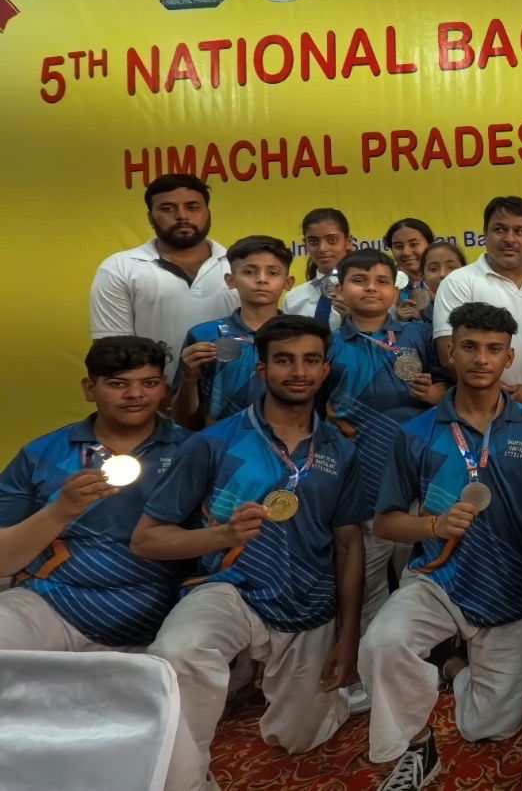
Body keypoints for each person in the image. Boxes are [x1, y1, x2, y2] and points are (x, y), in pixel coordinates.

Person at [132, 315, 365, 791]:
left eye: (310, 361)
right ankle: (186, 780)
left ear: (325, 371)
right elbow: (147, 539)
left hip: (308, 598)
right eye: (284, 360)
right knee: (177, 652)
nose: (298, 371)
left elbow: (348, 542)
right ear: (262, 369)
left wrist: (348, 637)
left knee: (298, 738)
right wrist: (222, 536)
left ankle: (320, 700)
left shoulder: (340, 450)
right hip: (229, 587)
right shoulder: (214, 442)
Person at [360, 302, 522, 791]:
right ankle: (416, 744)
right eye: (469, 347)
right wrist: (433, 525)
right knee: (382, 642)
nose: (481, 359)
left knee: (491, 727)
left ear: (509, 357)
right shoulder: (416, 433)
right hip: (438, 580)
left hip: (511, 590)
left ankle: (453, 667)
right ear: (450, 352)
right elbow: (386, 523)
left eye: (494, 349)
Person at [0, 337, 189, 652]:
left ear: (164, 389)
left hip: (162, 610)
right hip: (51, 603)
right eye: (118, 384)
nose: (135, 394)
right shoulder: (41, 454)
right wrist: (60, 510)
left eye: (149, 383)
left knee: (188, 652)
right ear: (90, 389)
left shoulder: (196, 452)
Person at [324, 250, 442, 635]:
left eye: (381, 281)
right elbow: (314, 405)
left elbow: (451, 386)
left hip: (417, 476)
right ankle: (361, 657)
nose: (371, 288)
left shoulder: (418, 334)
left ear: (395, 289)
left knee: (420, 576)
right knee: (365, 582)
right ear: (340, 289)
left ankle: (420, 656)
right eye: (359, 281)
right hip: (361, 477)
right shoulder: (328, 344)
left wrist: (436, 393)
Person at [433, 196, 522, 426]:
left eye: (520, 231)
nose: (509, 239)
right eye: (500, 229)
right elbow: (448, 354)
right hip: (482, 420)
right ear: (485, 233)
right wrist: (502, 398)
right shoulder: (458, 282)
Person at [89, 173, 236, 381]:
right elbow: (112, 352)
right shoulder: (120, 267)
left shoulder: (239, 266)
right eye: (167, 208)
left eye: (193, 207)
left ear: (208, 213)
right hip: (153, 395)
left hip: (234, 392)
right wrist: (153, 392)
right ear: (150, 218)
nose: (182, 216)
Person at [173, 235, 294, 429]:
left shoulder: (302, 337)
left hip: (287, 439)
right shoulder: (203, 336)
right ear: (231, 280)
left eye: (273, 273)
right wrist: (189, 378)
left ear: (288, 282)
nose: (262, 280)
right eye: (249, 272)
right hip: (219, 441)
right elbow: (182, 419)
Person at [284, 208, 355, 330]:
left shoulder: (367, 292)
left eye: (332, 240)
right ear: (305, 244)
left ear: (348, 241)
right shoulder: (293, 298)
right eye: (313, 241)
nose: (322, 248)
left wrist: (359, 318)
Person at [384, 218, 435, 323]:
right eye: (398, 246)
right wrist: (396, 319)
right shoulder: (384, 285)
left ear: (430, 244)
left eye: (414, 244)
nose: (406, 252)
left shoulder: (446, 280)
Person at [419, 241, 465, 326]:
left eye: (451, 267)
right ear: (423, 276)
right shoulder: (418, 313)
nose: (442, 274)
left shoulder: (477, 303)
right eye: (433, 269)